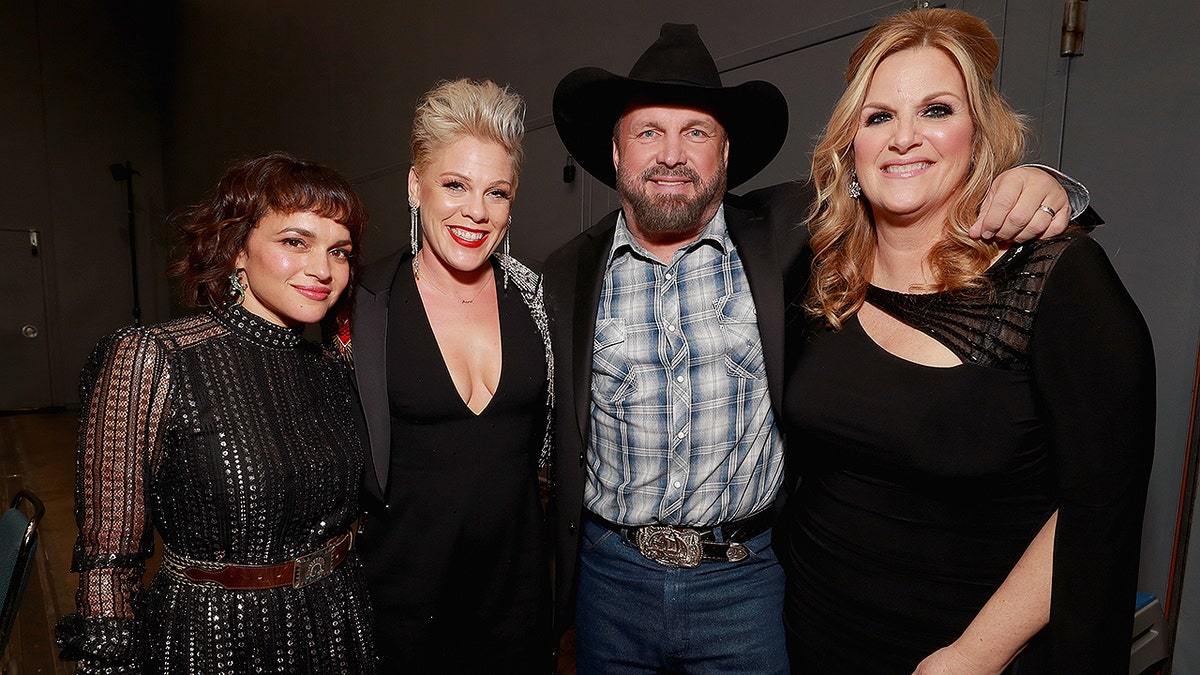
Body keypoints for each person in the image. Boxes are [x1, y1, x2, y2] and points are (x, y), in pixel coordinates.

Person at [544, 22, 1081, 674]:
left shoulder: (785, 234)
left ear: (726, 151)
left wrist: (1036, 181)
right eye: (648, 131)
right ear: (616, 149)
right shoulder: (566, 273)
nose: (671, 153)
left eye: (696, 132)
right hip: (611, 580)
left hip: (743, 585)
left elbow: (905, 173)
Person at [780, 8, 1155, 673]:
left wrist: (974, 655)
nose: (903, 138)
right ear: (850, 146)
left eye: (935, 110)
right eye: (878, 117)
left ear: (978, 136)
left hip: (967, 656)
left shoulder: (1053, 280)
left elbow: (1097, 503)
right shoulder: (816, 278)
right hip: (811, 634)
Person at [55, 152, 377, 673]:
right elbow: (109, 561)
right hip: (215, 635)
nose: (323, 269)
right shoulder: (152, 358)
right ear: (236, 251)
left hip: (337, 624)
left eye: (339, 251)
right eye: (295, 242)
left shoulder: (331, 367)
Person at [350, 78, 553, 672]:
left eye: (497, 192)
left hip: (516, 611)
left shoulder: (538, 301)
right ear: (416, 187)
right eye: (455, 185)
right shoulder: (363, 307)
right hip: (400, 616)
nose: (476, 212)